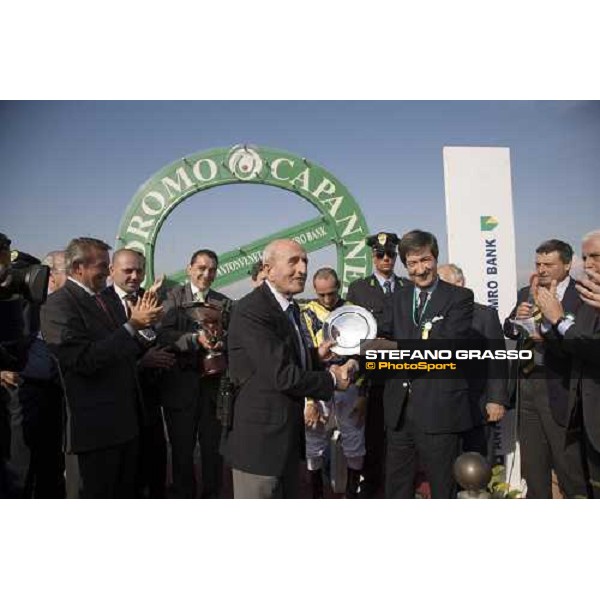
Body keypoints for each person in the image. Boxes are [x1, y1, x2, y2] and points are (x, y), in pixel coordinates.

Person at [223, 239, 353, 498]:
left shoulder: (290, 307)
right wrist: (332, 379)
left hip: (285, 439)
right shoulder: (252, 310)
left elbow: (284, 359)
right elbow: (283, 375)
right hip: (261, 446)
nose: (302, 268)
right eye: (293, 261)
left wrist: (316, 355)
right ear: (268, 269)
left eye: (305, 260)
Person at [40, 237, 163, 498]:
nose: (107, 272)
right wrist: (132, 326)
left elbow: (126, 349)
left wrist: (147, 330)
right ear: (78, 268)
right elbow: (83, 361)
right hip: (94, 431)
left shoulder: (102, 300)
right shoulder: (59, 305)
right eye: (102, 266)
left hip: (126, 426)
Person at [380, 230, 474, 499]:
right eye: (412, 263)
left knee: (442, 486)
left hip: (439, 409)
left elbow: (448, 348)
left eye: (425, 260)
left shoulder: (460, 297)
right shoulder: (397, 298)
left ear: (435, 258)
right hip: (399, 410)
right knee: (397, 487)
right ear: (405, 265)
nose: (420, 270)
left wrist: (394, 350)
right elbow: (383, 334)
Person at [503, 239, 587, 498]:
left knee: (567, 466)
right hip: (527, 385)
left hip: (561, 389)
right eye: (538, 263)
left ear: (568, 264)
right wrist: (517, 317)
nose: (542, 269)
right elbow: (508, 329)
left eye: (549, 264)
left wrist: (548, 334)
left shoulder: (582, 295)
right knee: (533, 465)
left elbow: (582, 342)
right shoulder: (526, 292)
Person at [101, 249, 175, 498]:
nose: (135, 276)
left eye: (139, 271)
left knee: (154, 468)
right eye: (128, 270)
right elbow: (103, 353)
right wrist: (141, 361)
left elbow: (160, 336)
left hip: (150, 402)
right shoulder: (99, 302)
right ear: (112, 271)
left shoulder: (151, 299)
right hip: (116, 406)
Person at [157, 249, 232, 498]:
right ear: (189, 269)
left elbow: (233, 337)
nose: (206, 274)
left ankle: (212, 496)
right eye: (201, 268)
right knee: (181, 452)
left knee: (213, 452)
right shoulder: (170, 297)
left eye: (212, 269)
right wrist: (193, 340)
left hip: (213, 390)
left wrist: (222, 343)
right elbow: (161, 335)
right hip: (179, 389)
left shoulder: (223, 302)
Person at [536, 231, 600, 497]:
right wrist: (549, 324)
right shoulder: (590, 297)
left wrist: (559, 320)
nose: (588, 265)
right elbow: (578, 345)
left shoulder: (580, 293)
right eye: (586, 258)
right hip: (586, 414)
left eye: (596, 257)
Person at [346, 231, 406, 497]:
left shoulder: (408, 287)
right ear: (373, 257)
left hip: (404, 371)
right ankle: (371, 491)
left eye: (391, 255)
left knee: (401, 437)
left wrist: (382, 335)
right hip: (373, 375)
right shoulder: (359, 288)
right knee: (373, 438)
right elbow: (354, 332)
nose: (386, 260)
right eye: (381, 255)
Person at [300, 267, 366, 498]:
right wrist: (309, 400)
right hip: (319, 385)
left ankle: (351, 494)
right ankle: (316, 494)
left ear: (339, 288)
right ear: (315, 291)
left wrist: (362, 393)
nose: (327, 299)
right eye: (322, 295)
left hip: (351, 384)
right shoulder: (306, 313)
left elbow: (363, 353)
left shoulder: (353, 311)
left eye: (331, 293)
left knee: (354, 439)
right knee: (314, 441)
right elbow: (306, 358)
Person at [438, 263, 508, 461]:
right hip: (445, 409)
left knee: (478, 464)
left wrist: (496, 399)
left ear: (460, 283)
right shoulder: (433, 317)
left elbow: (497, 360)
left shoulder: (485, 315)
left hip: (479, 406)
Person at [19, 250, 68, 498]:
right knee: (26, 462)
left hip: (60, 394)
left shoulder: (69, 306)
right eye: (68, 272)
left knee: (53, 461)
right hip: (28, 393)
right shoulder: (25, 304)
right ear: (50, 276)